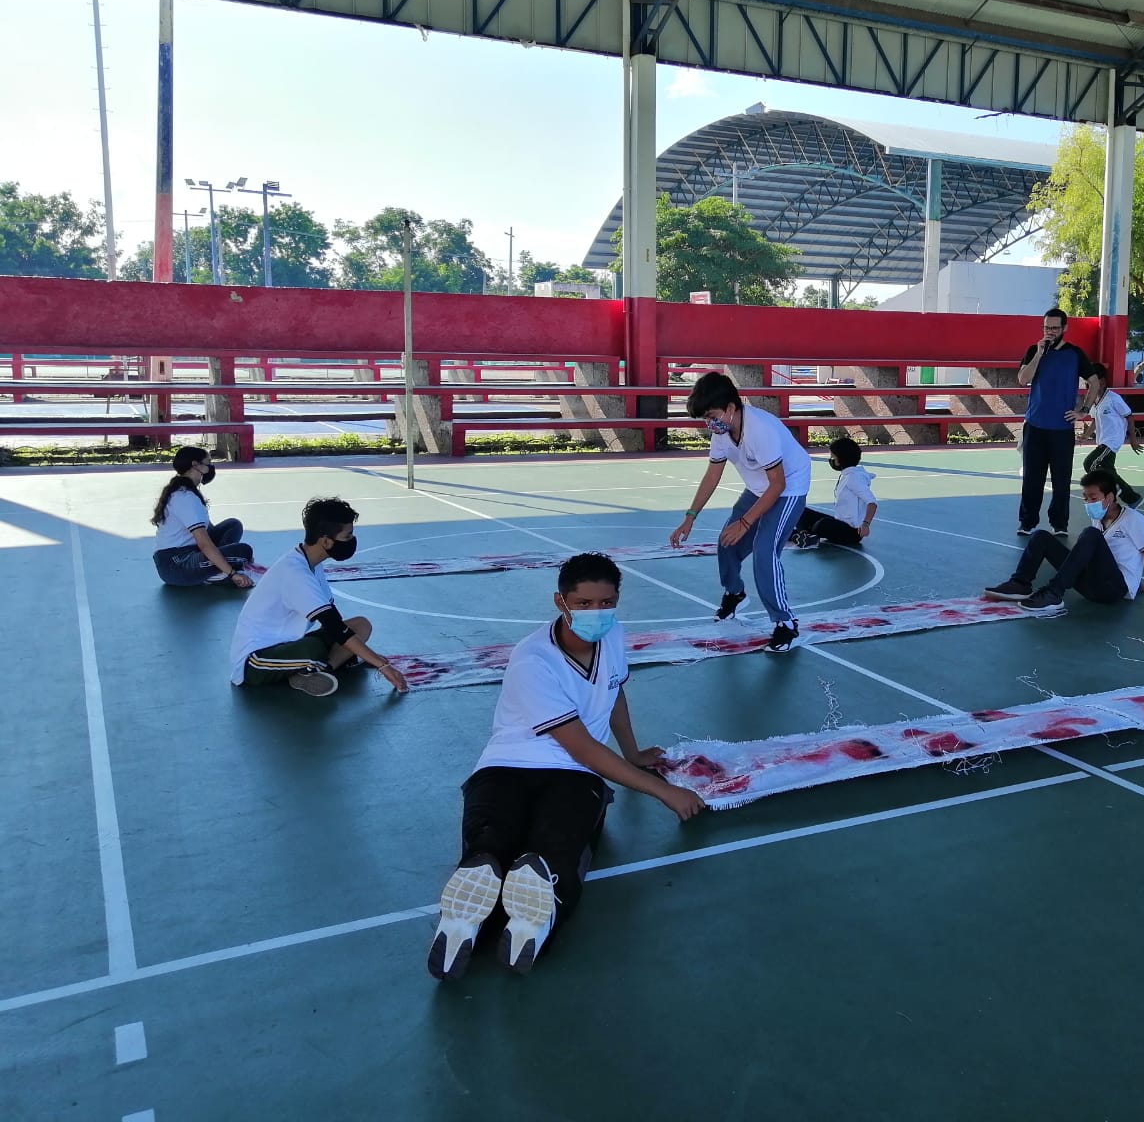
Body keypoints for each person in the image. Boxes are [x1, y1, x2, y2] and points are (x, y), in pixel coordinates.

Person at [426, 553, 704, 981]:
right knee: (543, 849)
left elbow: (614, 693)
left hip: (534, 773)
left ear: (618, 600)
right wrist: (665, 791)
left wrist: (632, 751)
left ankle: (477, 913)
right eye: (585, 603)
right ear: (561, 601)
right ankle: (521, 916)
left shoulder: (613, 637)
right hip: (532, 767)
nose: (598, 612)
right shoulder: (532, 660)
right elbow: (583, 750)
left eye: (607, 602)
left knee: (517, 843)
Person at [668, 371, 812, 653]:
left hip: (788, 489)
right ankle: (735, 593)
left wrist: (746, 522)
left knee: (764, 551)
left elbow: (778, 485)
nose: (709, 423)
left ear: (731, 408)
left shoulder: (760, 430)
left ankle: (786, 623)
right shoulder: (722, 431)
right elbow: (712, 474)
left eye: (712, 415)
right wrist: (690, 516)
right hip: (759, 487)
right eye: (704, 419)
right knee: (726, 542)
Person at [228, 497, 409, 697]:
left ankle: (319, 671)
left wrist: (363, 652)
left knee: (361, 626)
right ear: (325, 541)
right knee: (313, 649)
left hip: (288, 643)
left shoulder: (313, 564)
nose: (351, 541)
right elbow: (336, 629)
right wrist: (382, 665)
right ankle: (317, 666)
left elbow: (336, 623)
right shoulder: (296, 573)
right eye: (347, 536)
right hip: (255, 661)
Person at [981, 469, 1144, 613]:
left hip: (1112, 591)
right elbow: (1110, 554)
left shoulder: (1134, 520)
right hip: (1091, 583)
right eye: (1085, 497)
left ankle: (1054, 594)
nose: (1087, 502)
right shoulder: (1097, 517)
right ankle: (1020, 583)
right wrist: (1140, 583)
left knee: (1090, 535)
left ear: (1110, 497)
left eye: (1093, 498)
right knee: (1040, 537)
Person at [1015, 307, 1094, 537]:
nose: (1050, 332)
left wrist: (1083, 411)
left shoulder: (1075, 354)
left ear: (1064, 328)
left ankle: (1059, 523)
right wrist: (1040, 354)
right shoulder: (1034, 350)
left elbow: (1094, 382)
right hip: (1035, 426)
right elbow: (1022, 379)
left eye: (1054, 328)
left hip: (1061, 429)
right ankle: (1027, 522)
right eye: (1046, 327)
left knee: (1061, 481)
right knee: (1032, 479)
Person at [150, 446, 255, 588]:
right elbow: (204, 543)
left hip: (185, 554)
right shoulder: (185, 497)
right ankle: (216, 574)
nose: (211, 467)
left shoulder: (187, 492)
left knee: (233, 525)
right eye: (208, 463)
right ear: (195, 465)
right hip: (176, 565)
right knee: (244, 552)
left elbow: (208, 531)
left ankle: (213, 567)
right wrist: (232, 573)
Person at [1073, 365, 1144, 508]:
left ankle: (1113, 487)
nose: (1089, 386)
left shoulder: (1113, 398)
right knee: (1108, 470)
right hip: (1102, 441)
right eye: (1087, 383)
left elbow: (1129, 417)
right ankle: (1132, 498)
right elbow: (1094, 420)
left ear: (1103, 382)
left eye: (1092, 382)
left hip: (1111, 442)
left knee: (1090, 464)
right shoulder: (1096, 400)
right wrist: (1086, 435)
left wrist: (1133, 440)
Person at [792, 435, 877, 548]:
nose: (831, 460)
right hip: (840, 522)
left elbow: (872, 503)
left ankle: (801, 535)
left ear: (841, 459)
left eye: (833, 457)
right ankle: (804, 535)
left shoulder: (853, 478)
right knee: (800, 510)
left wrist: (865, 524)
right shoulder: (847, 474)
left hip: (852, 532)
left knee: (823, 524)